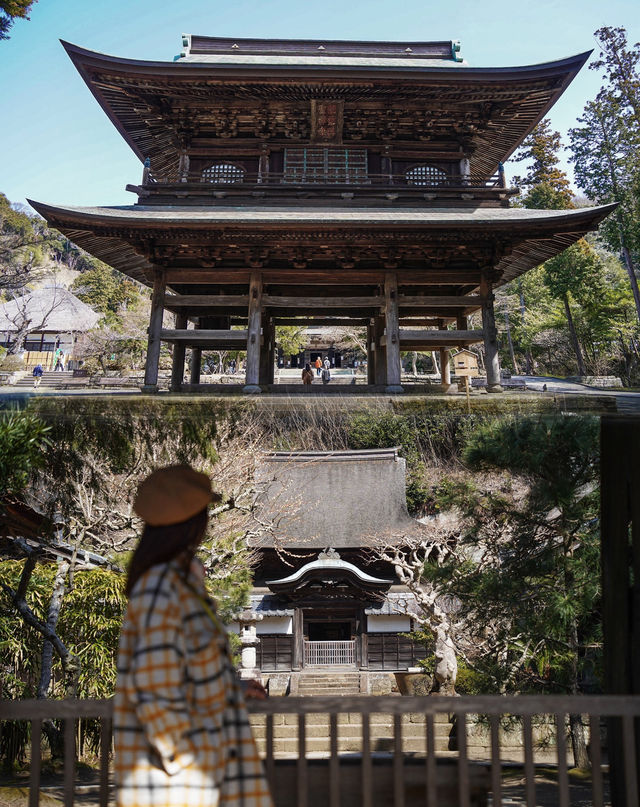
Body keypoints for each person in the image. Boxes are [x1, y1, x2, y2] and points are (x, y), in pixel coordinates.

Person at [114, 465, 273, 807]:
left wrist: (232, 689)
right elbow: (154, 689)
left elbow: (183, 670)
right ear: (192, 520)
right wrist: (189, 762)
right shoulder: (161, 587)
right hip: (183, 783)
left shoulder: (176, 584)